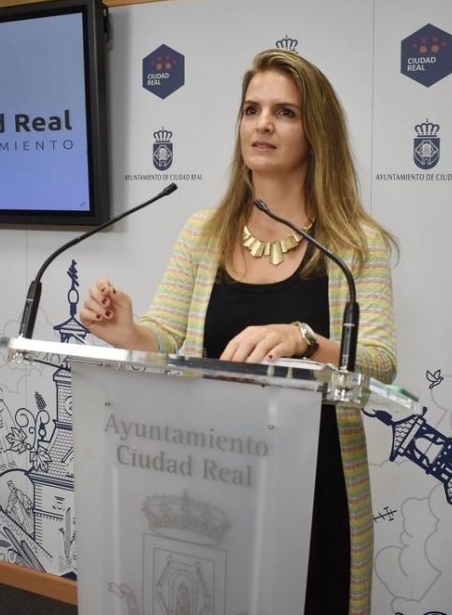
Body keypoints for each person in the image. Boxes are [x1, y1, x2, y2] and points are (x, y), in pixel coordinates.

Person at [80, 48, 396, 615]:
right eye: (252, 109)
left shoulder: (354, 243)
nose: (263, 124)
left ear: (316, 133)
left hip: (318, 479)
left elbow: (378, 362)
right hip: (218, 469)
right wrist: (128, 331)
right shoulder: (203, 232)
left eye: (285, 112)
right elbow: (168, 336)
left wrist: (304, 338)